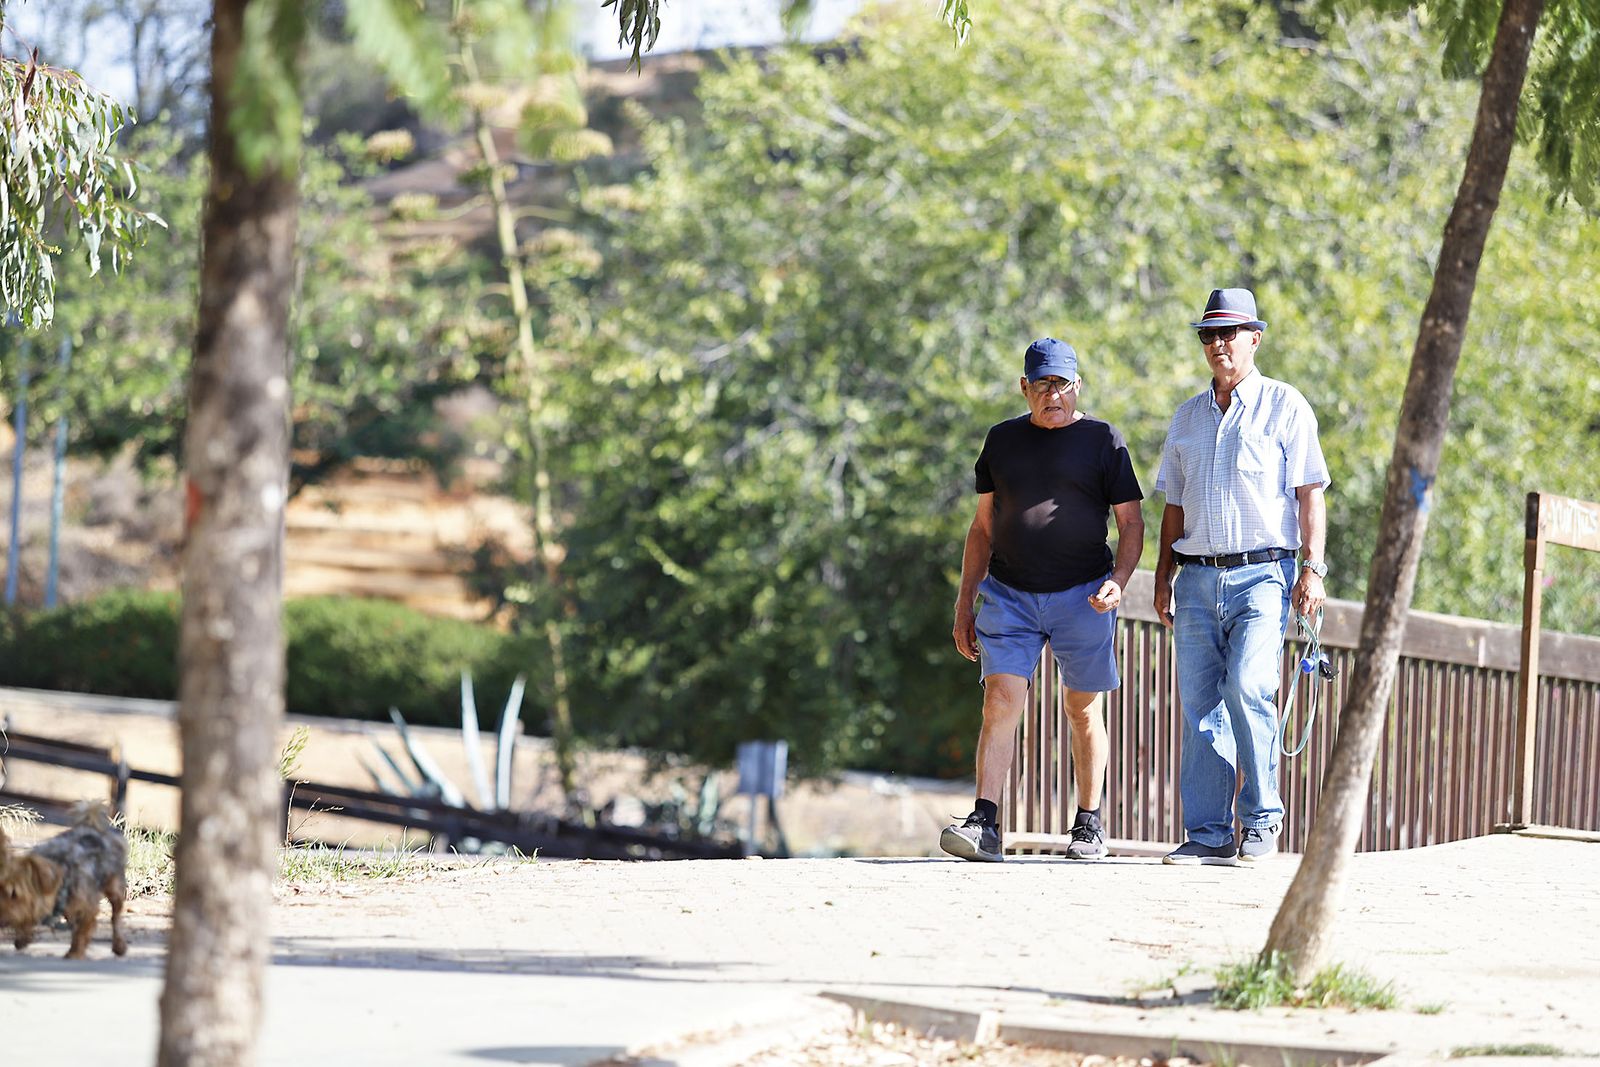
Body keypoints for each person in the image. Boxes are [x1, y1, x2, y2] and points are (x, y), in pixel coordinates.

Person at [942, 337, 1145, 863]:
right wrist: (965, 603)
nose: (1051, 395)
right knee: (1001, 699)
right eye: (1041, 385)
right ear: (1024, 387)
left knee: (1082, 708)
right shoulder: (1002, 441)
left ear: (1076, 385)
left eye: (1061, 384)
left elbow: (1130, 523)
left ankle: (1089, 823)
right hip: (1009, 595)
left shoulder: (1104, 440)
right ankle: (985, 822)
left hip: (1084, 595)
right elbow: (982, 527)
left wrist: (1119, 580)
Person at [1153, 288, 1330, 866]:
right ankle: (1206, 835)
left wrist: (1313, 569)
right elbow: (1172, 508)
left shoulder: (1286, 406)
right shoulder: (1185, 417)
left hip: (1264, 576)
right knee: (1201, 704)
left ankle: (1262, 820)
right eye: (1208, 334)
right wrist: (1162, 576)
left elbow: (1310, 496)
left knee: (1248, 688)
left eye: (1229, 333)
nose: (1218, 344)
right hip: (1196, 579)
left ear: (1255, 337)